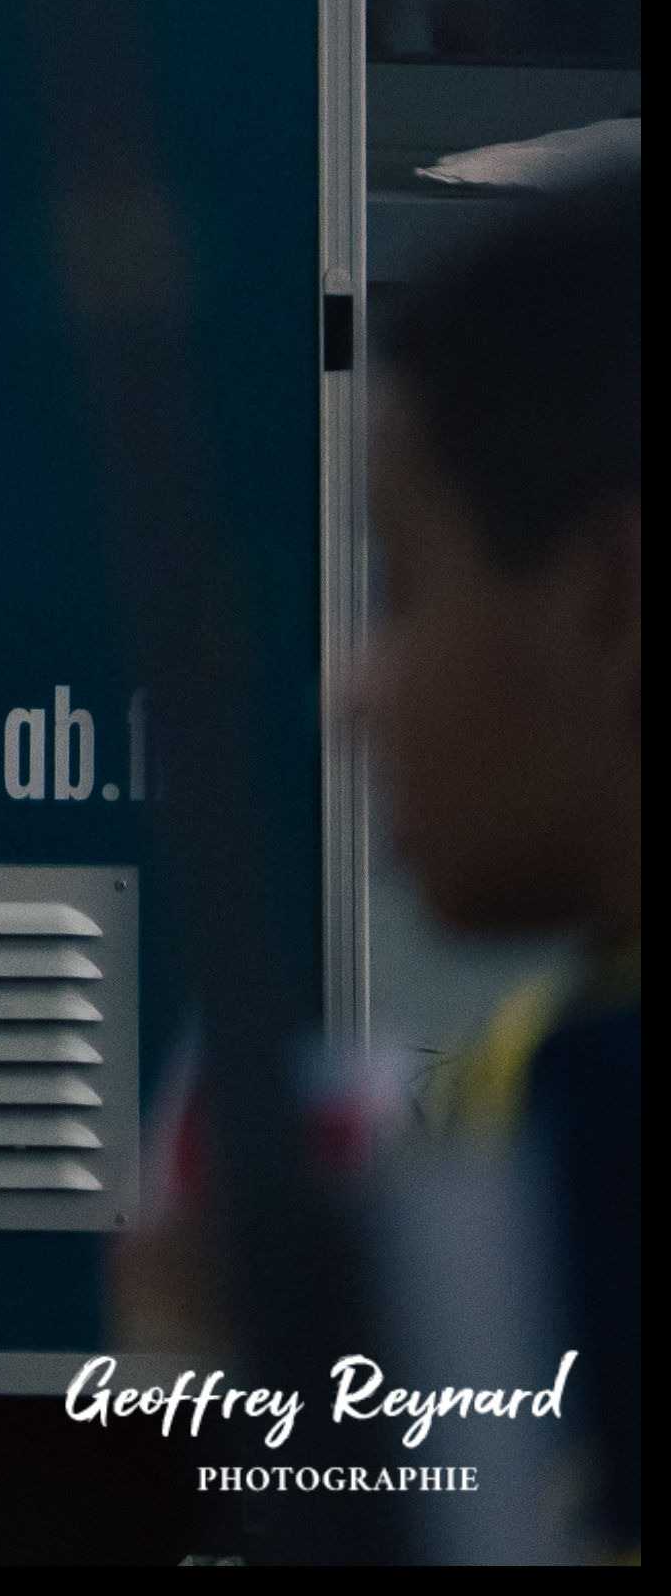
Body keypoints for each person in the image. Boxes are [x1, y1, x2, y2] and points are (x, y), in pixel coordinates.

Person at [350, 151, 637, 1563]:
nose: (354, 690)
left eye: (402, 583)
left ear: (610, 595)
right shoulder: (541, 1070)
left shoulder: (578, 1123)